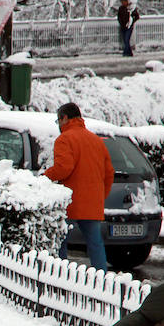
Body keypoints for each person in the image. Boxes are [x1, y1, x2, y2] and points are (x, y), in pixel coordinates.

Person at [44, 102, 115, 271]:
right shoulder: (96, 140)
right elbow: (109, 173)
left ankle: (60, 275)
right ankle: (101, 278)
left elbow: (63, 168)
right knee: (95, 243)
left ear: (65, 118)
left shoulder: (64, 139)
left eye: (58, 121)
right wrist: (100, 195)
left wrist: (45, 177)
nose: (59, 125)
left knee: (60, 239)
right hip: (92, 201)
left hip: (70, 200)